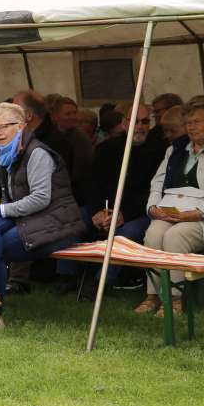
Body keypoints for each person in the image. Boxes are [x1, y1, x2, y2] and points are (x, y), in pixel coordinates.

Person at [0, 102, 84, 332]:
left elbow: (40, 199)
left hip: (58, 224)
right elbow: (10, 200)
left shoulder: (38, 153)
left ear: (21, 126)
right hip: (32, 220)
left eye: (5, 126)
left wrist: (1, 210)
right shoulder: (7, 155)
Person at [137, 98, 204, 315]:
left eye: (197, 122)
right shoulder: (175, 150)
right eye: (188, 123)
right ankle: (153, 295)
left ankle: (175, 299)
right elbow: (157, 182)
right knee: (153, 233)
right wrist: (153, 208)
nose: (192, 127)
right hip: (172, 210)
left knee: (175, 236)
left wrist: (197, 213)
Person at [87, 100, 167, 290]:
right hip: (105, 208)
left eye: (145, 122)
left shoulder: (160, 152)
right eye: (135, 121)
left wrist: (124, 214)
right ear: (124, 123)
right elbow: (92, 184)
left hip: (139, 212)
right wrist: (98, 211)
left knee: (126, 233)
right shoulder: (106, 149)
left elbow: (155, 192)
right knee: (73, 221)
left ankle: (101, 283)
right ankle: (66, 275)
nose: (140, 127)